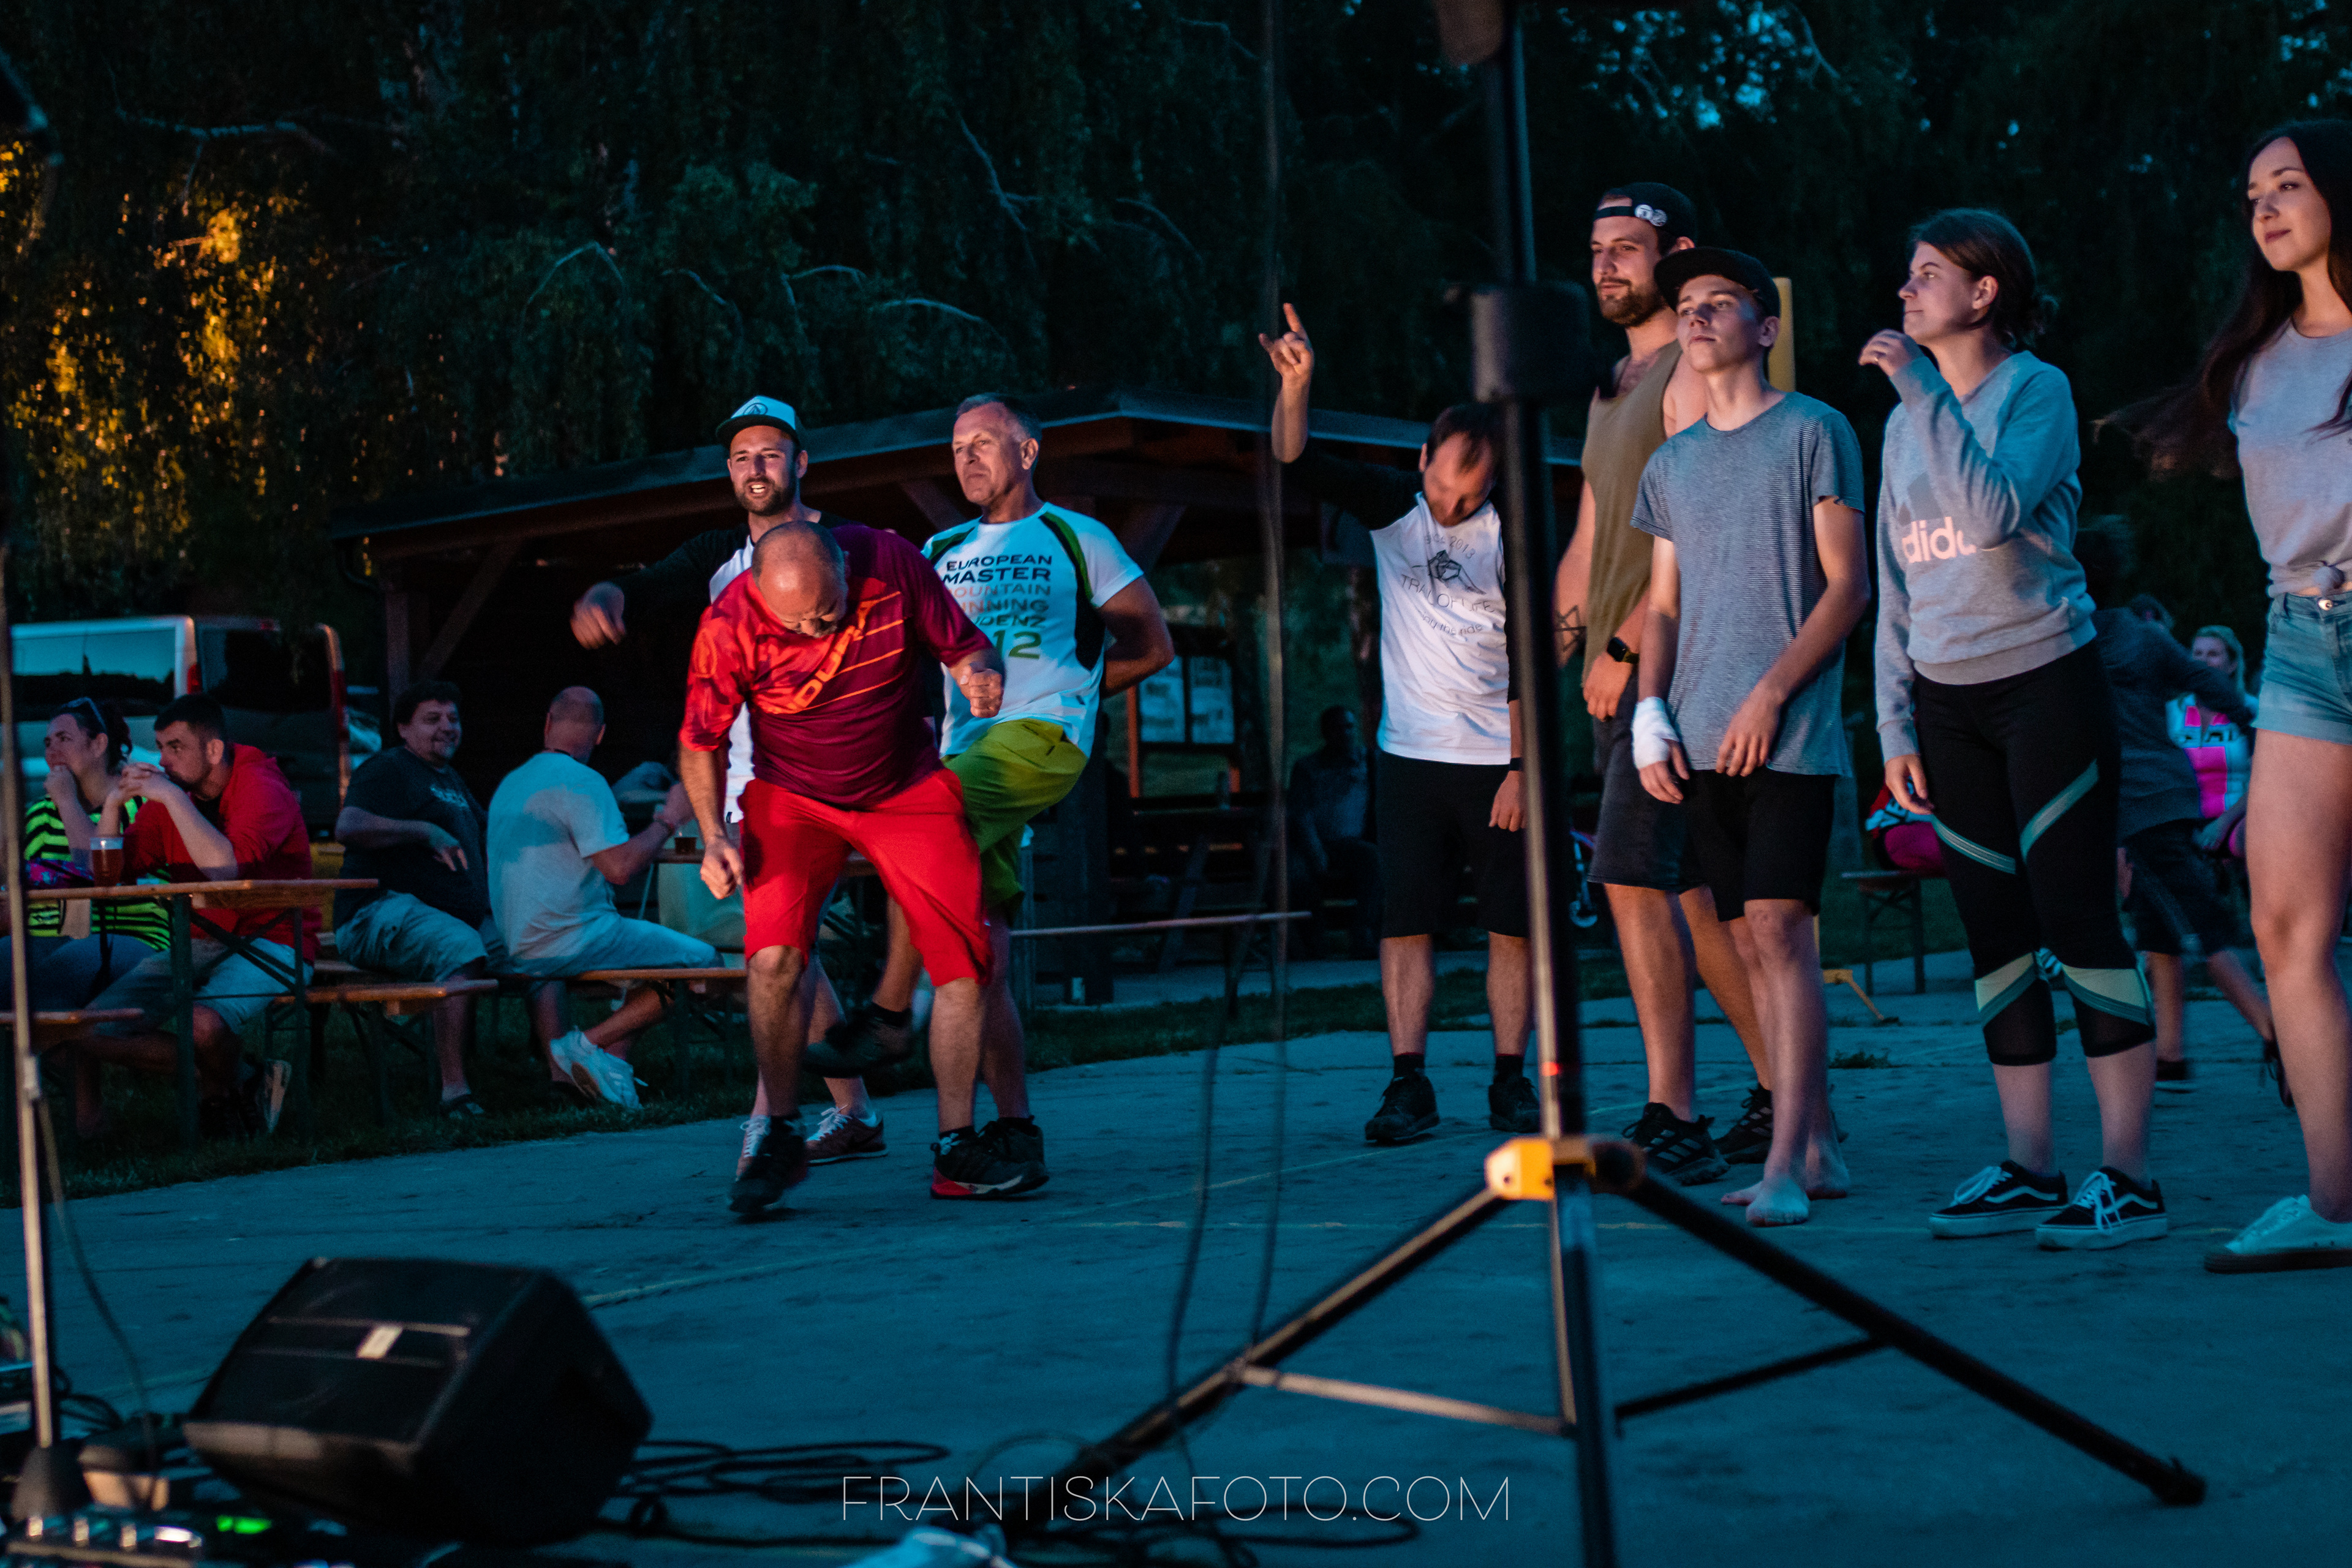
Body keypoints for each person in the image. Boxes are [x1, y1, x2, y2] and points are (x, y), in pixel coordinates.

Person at [1863, 209, 2164, 1249]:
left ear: (1984, 291)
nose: (1906, 290)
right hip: (1946, 699)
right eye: (1908, 274)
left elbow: (1991, 516)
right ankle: (2031, 1167)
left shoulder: (2036, 391)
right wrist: (1893, 721)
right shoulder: (1903, 422)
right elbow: (1896, 584)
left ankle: (2129, 1178)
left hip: (2045, 681)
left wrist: (1924, 391)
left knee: (2076, 918)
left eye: (1927, 273)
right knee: (1994, 932)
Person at [804, 393, 1175, 1194]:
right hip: (960, 756)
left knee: (915, 825)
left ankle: (889, 1014)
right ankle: (1014, 1131)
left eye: (983, 442)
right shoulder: (939, 548)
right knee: (985, 958)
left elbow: (1153, 646)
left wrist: (1077, 693)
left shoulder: (1078, 538)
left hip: (1041, 736)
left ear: (1028, 452)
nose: (966, 458)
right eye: (957, 447)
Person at [2124, 120, 2352, 1271]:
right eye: (2253, 191)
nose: (2264, 207)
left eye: (2289, 184)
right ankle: (2335, 1203)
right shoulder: (2255, 361)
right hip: (2302, 641)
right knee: (2283, 925)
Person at [568, 395, 881, 1165]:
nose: (755, 469)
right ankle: (853, 1110)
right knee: (783, 946)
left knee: (780, 948)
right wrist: (608, 596)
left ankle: (771, 1125)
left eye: (769, 454)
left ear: (800, 462)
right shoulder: (717, 552)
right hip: (749, 785)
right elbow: (647, 585)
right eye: (741, 458)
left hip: (831, 774)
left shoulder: (847, 543)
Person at [679, 519, 1020, 1212]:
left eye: (828, 610)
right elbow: (700, 740)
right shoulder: (728, 625)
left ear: (843, 568)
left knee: (965, 961)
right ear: (759, 592)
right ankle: (778, 1130)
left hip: (903, 786)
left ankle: (956, 1145)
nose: (815, 629)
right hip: (793, 797)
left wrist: (981, 673)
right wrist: (713, 834)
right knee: (772, 959)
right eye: (797, 621)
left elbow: (968, 646)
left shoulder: (891, 563)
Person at [1260, 304, 1540, 1144]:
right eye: (1445, 485)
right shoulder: (1394, 506)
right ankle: (1408, 1082)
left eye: (1472, 492)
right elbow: (1296, 460)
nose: (1453, 503)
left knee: (1510, 926)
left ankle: (1510, 1077)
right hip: (1411, 758)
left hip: (1497, 759)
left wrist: (1522, 769)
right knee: (1405, 921)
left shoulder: (1513, 534)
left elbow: (1531, 659)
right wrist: (1297, 388)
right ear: (1423, 460)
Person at [1632, 247, 1868, 1227]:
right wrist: (1649, 714)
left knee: (1780, 931)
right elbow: (1662, 604)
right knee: (1737, 936)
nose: (1695, 315)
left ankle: (1784, 1164)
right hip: (1694, 738)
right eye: (1686, 303)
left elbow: (1848, 587)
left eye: (1718, 302)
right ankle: (1816, 1147)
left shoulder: (1815, 430)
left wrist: (1771, 694)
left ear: (1764, 327)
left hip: (1788, 732)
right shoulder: (1670, 464)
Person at [1551, 183, 1772, 1183]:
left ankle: (1674, 1112)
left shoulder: (1689, 369)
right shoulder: (1613, 385)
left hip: (1672, 671)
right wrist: (1551, 651)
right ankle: (1784, 1091)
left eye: (1627, 248)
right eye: (1596, 248)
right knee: (1689, 897)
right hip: (1622, 673)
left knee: (1638, 883)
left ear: (1676, 254)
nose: (1605, 265)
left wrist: (1629, 648)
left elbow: (1705, 530)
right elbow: (1593, 533)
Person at [2071, 531, 2275, 1098]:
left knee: (2201, 923)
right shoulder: (2144, 636)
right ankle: (2172, 1056)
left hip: (2133, 804)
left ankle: (2276, 1034)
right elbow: (2215, 687)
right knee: (2157, 928)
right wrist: (2258, 732)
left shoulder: (2067, 644)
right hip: (2171, 791)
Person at [53, 695, 311, 1140]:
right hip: (202, 940)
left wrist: (172, 797)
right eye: (159, 747)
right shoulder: (170, 798)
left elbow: (226, 869)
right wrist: (113, 805)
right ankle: (240, 1081)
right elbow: (106, 876)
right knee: (90, 1031)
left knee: (203, 1025)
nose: (163, 761)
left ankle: (219, 1101)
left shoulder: (261, 785)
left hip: (276, 939)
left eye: (176, 747)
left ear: (213, 750)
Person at [486, 687, 715, 1111]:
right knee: (705, 962)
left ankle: (608, 1064)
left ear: (548, 724)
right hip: (574, 938)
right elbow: (621, 869)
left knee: (652, 956)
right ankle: (588, 1045)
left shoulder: (511, 783)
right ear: (601, 734)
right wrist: (669, 820)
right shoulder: (582, 782)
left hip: (518, 942)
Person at [333, 681, 505, 1118]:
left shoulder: (450, 779)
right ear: (403, 728)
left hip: (453, 916)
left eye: (453, 719)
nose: (447, 727)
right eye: (433, 719)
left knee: (534, 947)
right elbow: (348, 826)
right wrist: (423, 830)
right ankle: (454, 1092)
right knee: (461, 948)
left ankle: (563, 1068)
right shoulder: (390, 768)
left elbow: (488, 831)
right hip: (376, 912)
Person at [2, 698, 168, 1012]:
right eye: (48, 743)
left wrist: (67, 802)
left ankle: (66, 1043)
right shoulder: (40, 814)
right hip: (50, 933)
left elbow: (96, 872)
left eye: (64, 739)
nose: (52, 751)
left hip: (132, 932)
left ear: (99, 745)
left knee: (54, 979)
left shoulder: (142, 803)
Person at [1289, 706, 1381, 960]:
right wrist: (1316, 851)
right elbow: (1301, 814)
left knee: (1374, 859)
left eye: (1349, 727)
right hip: (1317, 843)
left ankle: (1363, 934)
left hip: (1352, 844)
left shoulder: (1368, 763)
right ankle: (1315, 946)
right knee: (1297, 876)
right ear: (1326, 733)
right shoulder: (1308, 768)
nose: (1345, 734)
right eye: (1338, 729)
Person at [2168, 624, 2255, 862]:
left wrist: (2223, 823)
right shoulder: (2171, 713)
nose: (2203, 662)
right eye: (2197, 654)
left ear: (2232, 665)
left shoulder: (2252, 711)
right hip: (2181, 823)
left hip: (2236, 821)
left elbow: (2265, 780)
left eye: (2213, 654)